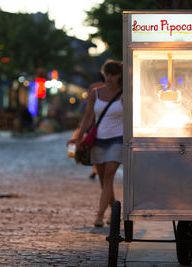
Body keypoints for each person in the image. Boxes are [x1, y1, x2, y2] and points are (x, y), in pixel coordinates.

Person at [67, 60, 123, 227]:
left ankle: (99, 216)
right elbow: (88, 117)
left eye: (113, 74)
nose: (109, 77)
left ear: (119, 75)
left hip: (117, 139)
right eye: (107, 73)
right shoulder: (95, 93)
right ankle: (114, 210)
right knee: (102, 180)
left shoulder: (124, 94)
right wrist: (78, 138)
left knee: (108, 176)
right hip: (97, 140)